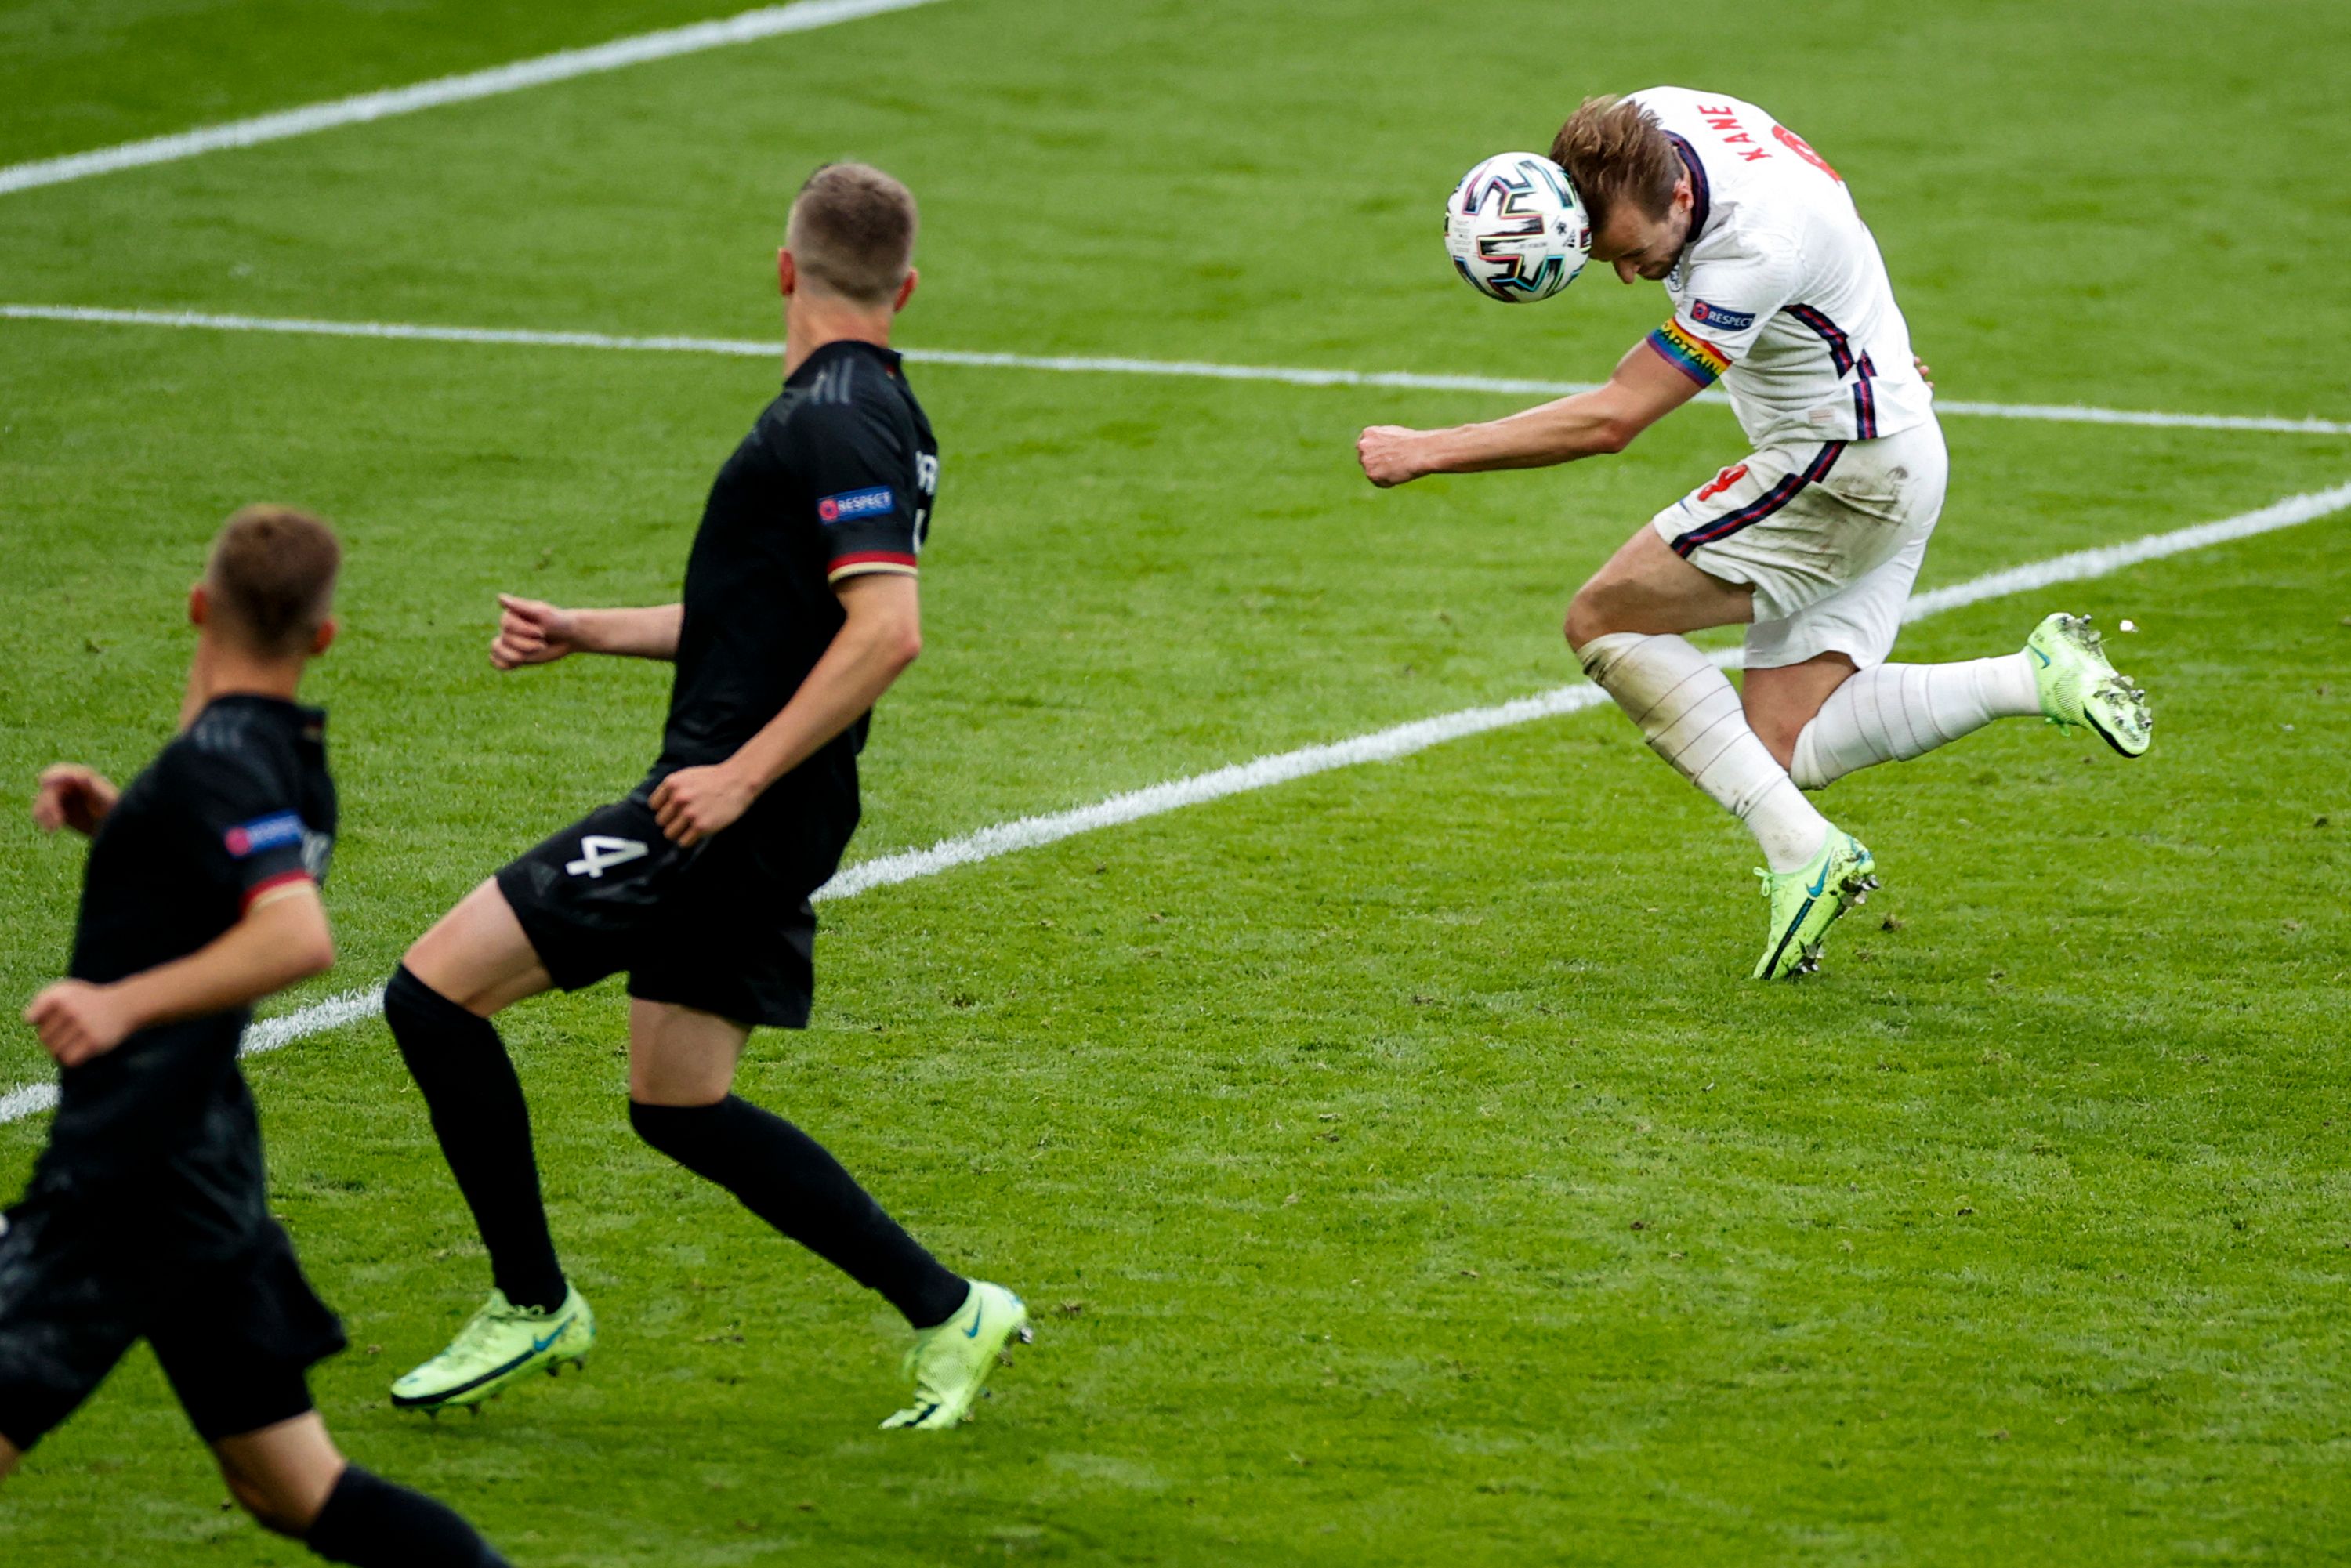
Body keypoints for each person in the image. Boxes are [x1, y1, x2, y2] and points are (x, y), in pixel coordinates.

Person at [382, 162, 1027, 1429]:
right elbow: (764, 623)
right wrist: (588, 628)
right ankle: (952, 1308)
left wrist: (733, 775)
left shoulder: (831, 421)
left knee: (430, 994)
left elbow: (885, 633)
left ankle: (530, 1299)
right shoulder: (875, 413)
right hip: (751, 804)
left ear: (784, 268)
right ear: (906, 288)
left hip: (722, 811)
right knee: (678, 1103)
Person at [1358, 90, 2151, 977]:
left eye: (1637, 256)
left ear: (1683, 202)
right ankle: (2033, 676)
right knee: (1782, 746)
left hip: (1842, 470)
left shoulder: (1751, 247)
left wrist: (1429, 450)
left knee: (1605, 620)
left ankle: (1804, 855)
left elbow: (1614, 418)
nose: (1629, 277)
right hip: (1900, 445)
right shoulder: (1660, 117)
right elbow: (1839, 232)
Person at [0, 506, 511, 1565]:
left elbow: (293, 933)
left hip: (127, 1177)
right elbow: (229, 871)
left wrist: (117, 1004)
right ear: (323, 639)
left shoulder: (221, 763)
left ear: (196, 607)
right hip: (204, 1169)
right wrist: (127, 818)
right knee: (291, 1489)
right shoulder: (280, 756)